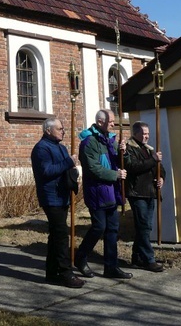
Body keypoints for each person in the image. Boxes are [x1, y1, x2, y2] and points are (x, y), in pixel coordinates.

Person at [74, 110, 131, 280]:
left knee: (112, 229)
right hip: (97, 191)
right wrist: (115, 175)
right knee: (99, 227)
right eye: (111, 121)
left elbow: (120, 162)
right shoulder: (88, 143)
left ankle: (111, 267)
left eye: (114, 121)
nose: (114, 124)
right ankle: (80, 257)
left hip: (111, 191)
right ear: (100, 122)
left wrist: (123, 151)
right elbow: (93, 169)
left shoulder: (111, 141)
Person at [30, 118, 84, 288]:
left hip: (62, 195)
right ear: (48, 130)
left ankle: (51, 272)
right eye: (59, 128)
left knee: (55, 235)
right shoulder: (41, 149)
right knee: (61, 235)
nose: (63, 131)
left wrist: (73, 173)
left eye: (63, 129)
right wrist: (68, 162)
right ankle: (65, 272)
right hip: (51, 197)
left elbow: (64, 169)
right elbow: (46, 171)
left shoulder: (61, 148)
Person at [124, 121, 165, 272]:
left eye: (148, 133)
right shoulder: (129, 148)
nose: (147, 136)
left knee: (145, 228)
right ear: (135, 134)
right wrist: (153, 160)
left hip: (150, 192)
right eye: (144, 134)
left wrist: (162, 178)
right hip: (137, 192)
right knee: (143, 226)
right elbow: (133, 167)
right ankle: (149, 259)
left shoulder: (149, 150)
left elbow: (161, 169)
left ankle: (137, 257)